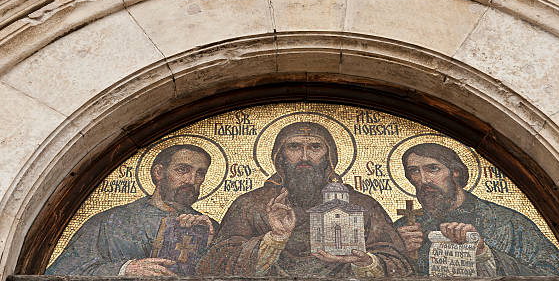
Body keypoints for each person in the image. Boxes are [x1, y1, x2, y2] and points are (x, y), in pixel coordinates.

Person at [198, 122, 412, 277]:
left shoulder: (362, 206)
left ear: (329, 157)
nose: (304, 157)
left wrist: (365, 262)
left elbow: (400, 264)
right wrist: (275, 238)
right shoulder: (250, 204)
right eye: (294, 147)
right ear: (280, 156)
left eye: (315, 148)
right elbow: (216, 264)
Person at [394, 142, 559, 276]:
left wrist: (484, 254)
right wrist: (400, 255)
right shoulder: (404, 228)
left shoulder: (507, 222)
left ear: (455, 172)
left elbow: (556, 274)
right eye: (414, 171)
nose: (424, 180)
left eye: (433, 169)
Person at [46, 144, 218, 276]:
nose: (191, 180)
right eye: (183, 170)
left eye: (200, 173)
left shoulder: (209, 228)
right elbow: (60, 272)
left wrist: (209, 242)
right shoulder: (109, 221)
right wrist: (125, 270)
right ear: (159, 172)